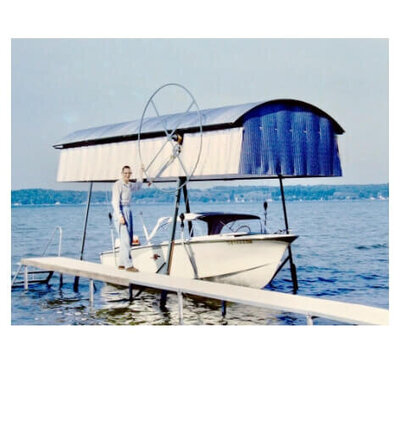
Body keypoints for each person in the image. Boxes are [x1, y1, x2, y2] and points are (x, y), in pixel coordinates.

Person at [112, 164, 147, 272]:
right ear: (122, 174)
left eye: (129, 173)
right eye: (125, 173)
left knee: (128, 238)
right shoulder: (118, 185)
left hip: (128, 210)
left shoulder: (129, 185)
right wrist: (120, 216)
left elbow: (138, 185)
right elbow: (114, 202)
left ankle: (121, 263)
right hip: (121, 211)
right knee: (125, 238)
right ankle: (128, 265)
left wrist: (141, 172)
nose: (127, 175)